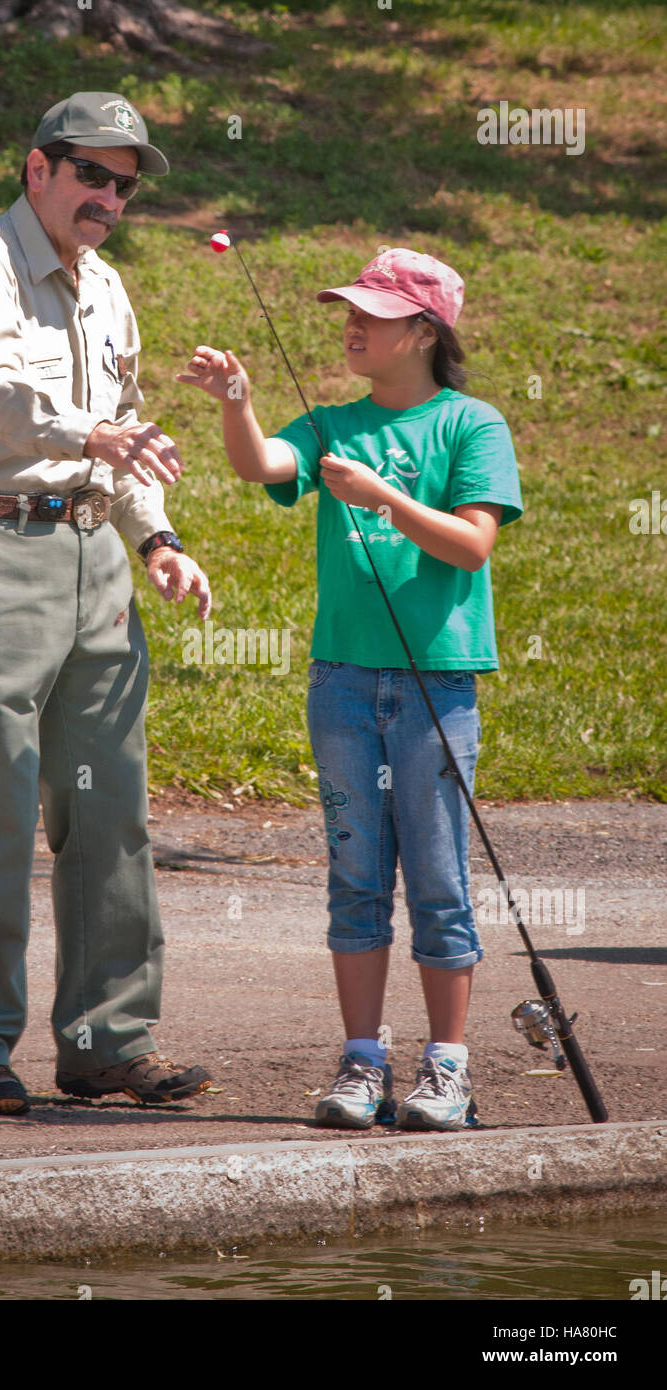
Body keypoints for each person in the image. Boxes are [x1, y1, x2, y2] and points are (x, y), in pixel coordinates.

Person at [0, 92, 213, 1115]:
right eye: (92, 174)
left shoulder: (108, 287)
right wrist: (94, 437)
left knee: (110, 808)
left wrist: (156, 537)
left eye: (124, 183)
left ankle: (107, 1041)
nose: (109, 197)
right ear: (38, 168)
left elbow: (122, 437)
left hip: (93, 564)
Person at [178, 247, 523, 1131]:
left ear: (422, 330)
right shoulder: (331, 421)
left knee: (439, 881)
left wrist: (380, 499)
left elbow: (471, 544)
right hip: (340, 682)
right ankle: (361, 1061)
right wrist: (237, 405)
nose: (350, 324)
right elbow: (262, 467)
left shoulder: (471, 425)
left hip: (435, 684)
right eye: (347, 311)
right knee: (356, 878)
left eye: (370, 313)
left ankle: (447, 1068)